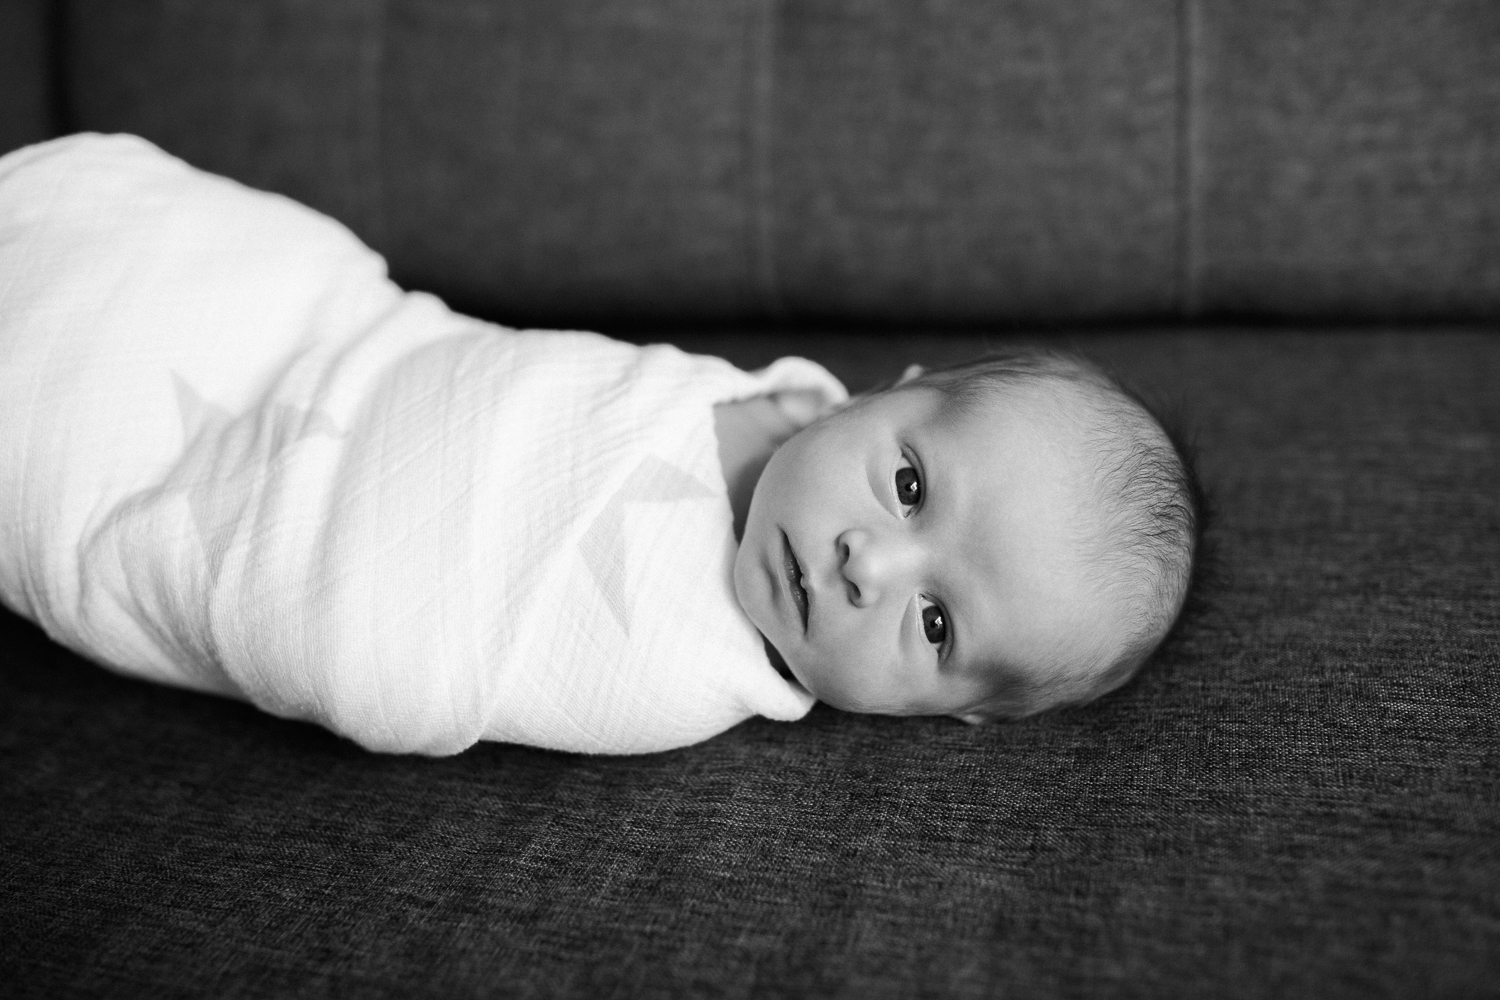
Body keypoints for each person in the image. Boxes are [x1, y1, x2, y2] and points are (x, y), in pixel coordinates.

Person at [0, 132, 1201, 755]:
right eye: (907, 483)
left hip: (284, 522)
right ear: (892, 390)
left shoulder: (675, 672)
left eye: (935, 625)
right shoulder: (779, 406)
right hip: (338, 343)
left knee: (64, 428)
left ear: (960, 718)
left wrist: (367, 652)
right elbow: (484, 386)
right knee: (154, 251)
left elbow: (400, 640)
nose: (866, 564)